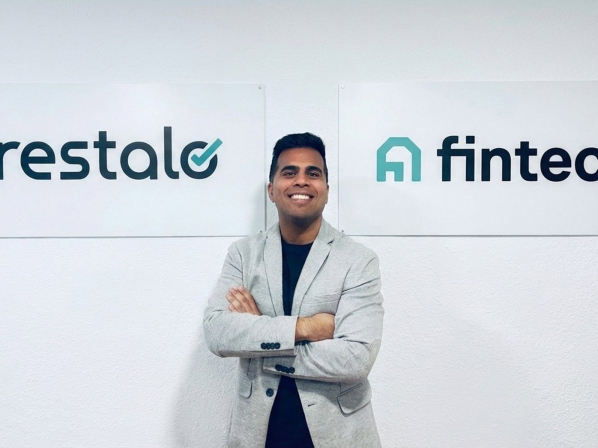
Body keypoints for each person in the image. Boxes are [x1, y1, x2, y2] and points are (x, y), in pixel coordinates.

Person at [203, 132, 384, 447]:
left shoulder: (358, 260)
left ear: (326, 190)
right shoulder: (243, 255)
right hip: (258, 435)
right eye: (289, 172)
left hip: (339, 436)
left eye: (313, 173)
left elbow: (356, 358)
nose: (301, 181)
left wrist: (259, 339)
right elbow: (217, 332)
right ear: (272, 190)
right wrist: (307, 327)